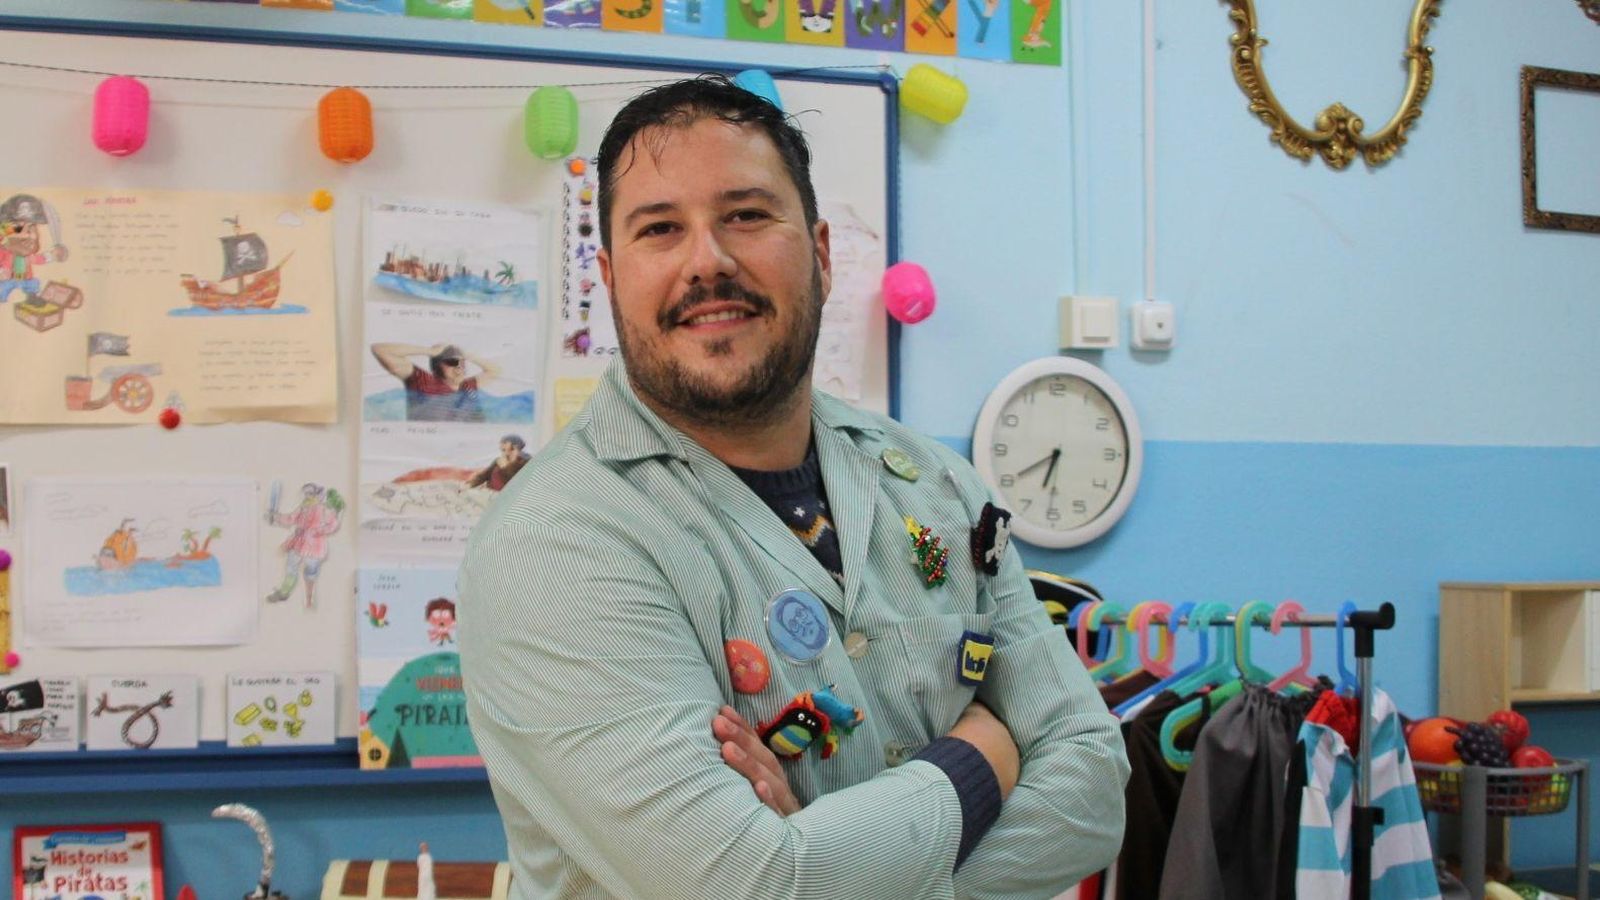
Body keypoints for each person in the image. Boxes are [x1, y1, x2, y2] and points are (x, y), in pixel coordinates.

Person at [458, 75, 1127, 899]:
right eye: (660, 228)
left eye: (745, 214)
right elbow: (748, 885)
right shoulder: (555, 545)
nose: (709, 261)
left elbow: (1093, 792)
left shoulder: (939, 489)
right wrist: (981, 756)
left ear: (819, 250)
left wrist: (826, 862)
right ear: (608, 274)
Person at [371, 342, 502, 423]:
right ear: (436, 367)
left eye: (462, 363)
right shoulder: (422, 380)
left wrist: (469, 356)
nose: (459, 367)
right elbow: (380, 350)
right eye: (452, 362)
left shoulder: (467, 386)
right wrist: (429, 352)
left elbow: (495, 371)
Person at [265, 482, 343, 608]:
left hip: (315, 547)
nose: (307, 496)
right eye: (306, 493)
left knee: (310, 573)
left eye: (310, 493)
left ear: (318, 495)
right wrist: (276, 517)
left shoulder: (324, 509)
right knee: (291, 566)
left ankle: (309, 600)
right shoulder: (303, 507)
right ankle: (284, 592)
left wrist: (318, 531)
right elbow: (291, 519)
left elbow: (334, 524)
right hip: (299, 543)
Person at [465, 435, 531, 492]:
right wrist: (472, 484)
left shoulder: (525, 462)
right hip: (492, 491)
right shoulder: (499, 461)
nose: (506, 453)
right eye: (503, 450)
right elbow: (485, 474)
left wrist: (505, 466)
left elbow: (517, 482)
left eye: (512, 449)